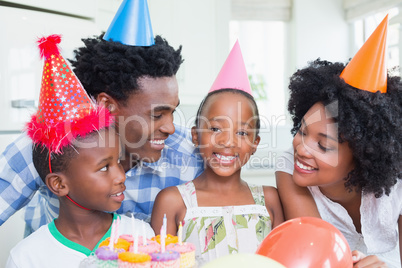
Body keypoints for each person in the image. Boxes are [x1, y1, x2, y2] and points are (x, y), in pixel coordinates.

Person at [0, 0, 203, 236]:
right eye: (157, 115)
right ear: (107, 105)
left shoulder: (186, 157)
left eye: (172, 111)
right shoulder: (52, 145)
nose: (170, 128)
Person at [6, 35, 155, 268]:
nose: (120, 176)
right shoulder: (27, 257)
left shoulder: (141, 236)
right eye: (104, 167)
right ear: (58, 184)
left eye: (118, 161)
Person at [275, 16, 401, 268]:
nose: (301, 148)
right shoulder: (289, 166)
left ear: (363, 155)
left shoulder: (396, 184)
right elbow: (317, 254)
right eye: (302, 130)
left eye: (323, 146)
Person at [151, 41, 284, 264]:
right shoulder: (173, 201)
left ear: (255, 143)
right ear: (195, 136)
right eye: (215, 129)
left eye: (242, 132)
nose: (227, 141)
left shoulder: (269, 199)